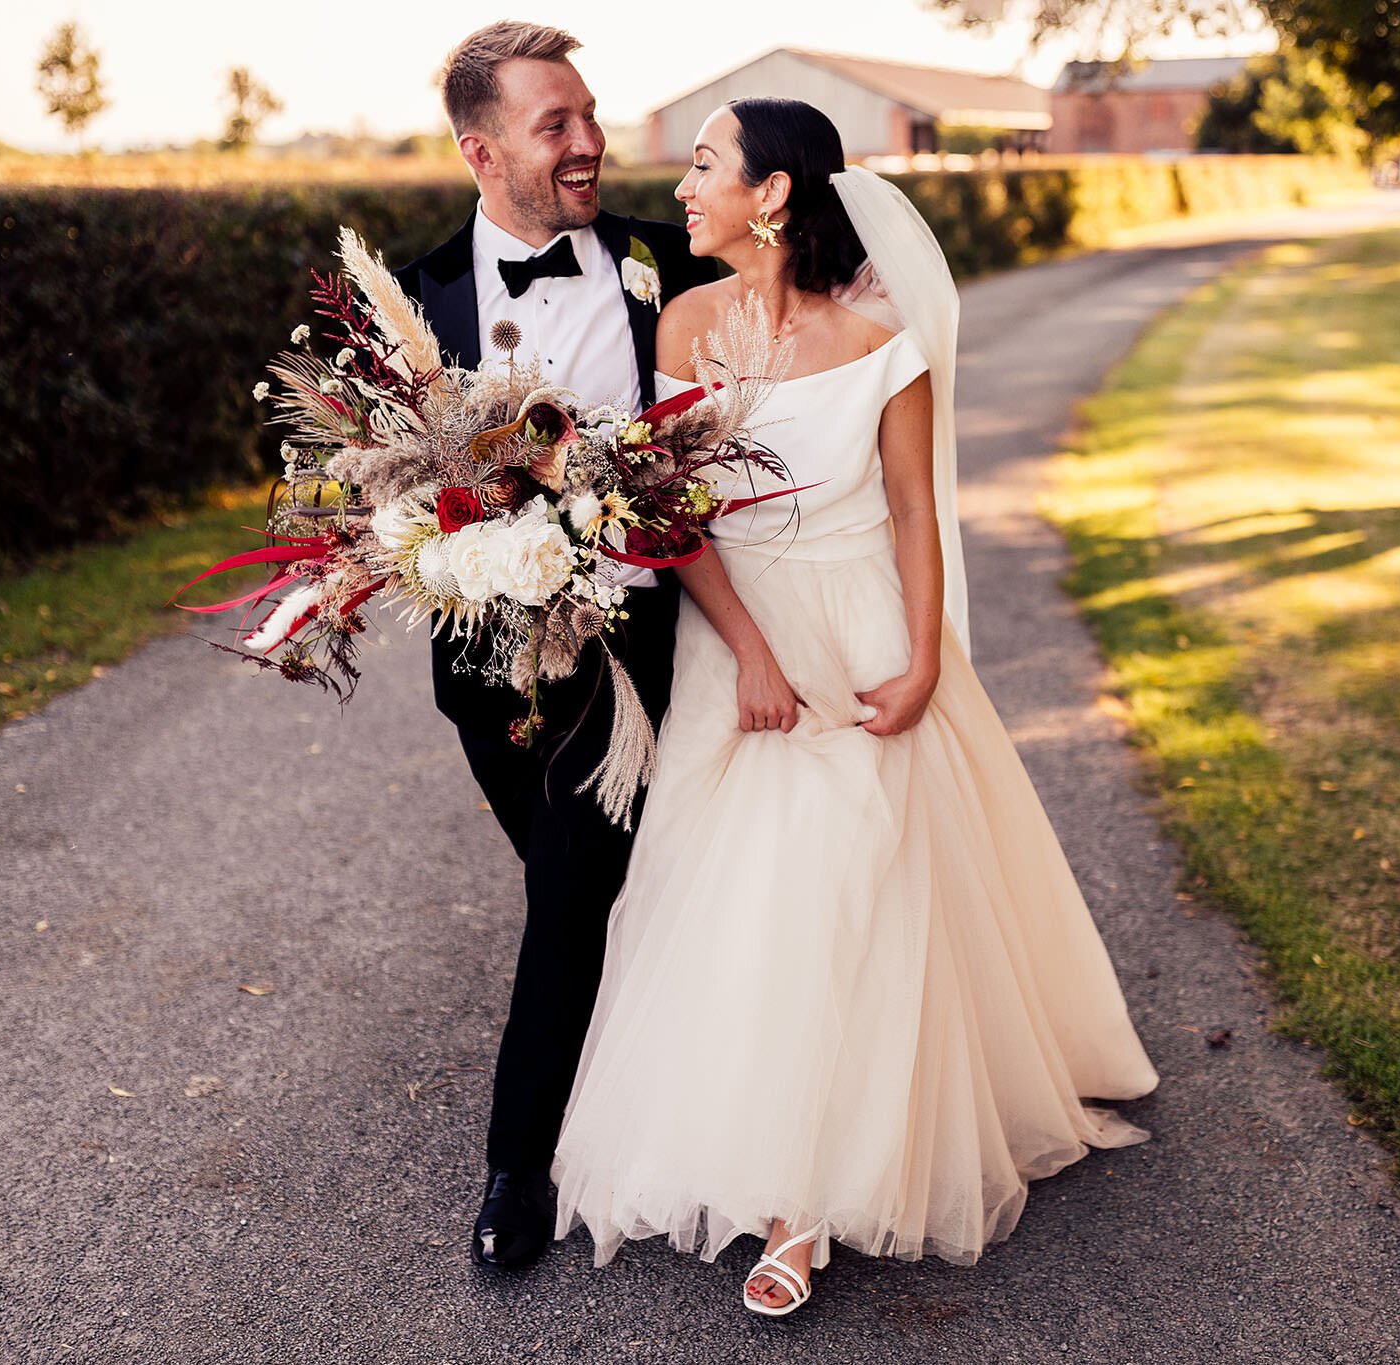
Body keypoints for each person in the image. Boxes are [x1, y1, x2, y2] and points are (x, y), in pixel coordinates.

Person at [549, 98, 1160, 1315]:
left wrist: (925, 660)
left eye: (707, 165)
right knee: (733, 893)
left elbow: (915, 512)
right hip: (741, 639)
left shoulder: (883, 341)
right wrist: (752, 654)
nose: (683, 185)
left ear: (771, 194)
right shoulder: (683, 324)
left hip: (865, 627)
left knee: (849, 890)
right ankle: (749, 1131)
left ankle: (803, 1207)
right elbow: (673, 516)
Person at [389, 21, 715, 1269]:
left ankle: (518, 1169)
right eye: (554, 126)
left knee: (571, 893)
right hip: (481, 664)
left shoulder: (657, 265)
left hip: (630, 642)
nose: (588, 145)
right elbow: (378, 486)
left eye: (589, 115)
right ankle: (667, 1059)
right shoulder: (414, 300)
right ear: (482, 151)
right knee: (579, 891)